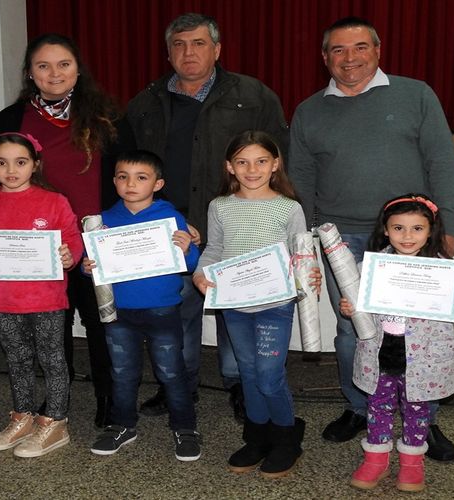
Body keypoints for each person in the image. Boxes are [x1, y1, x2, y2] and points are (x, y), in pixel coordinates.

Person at [288, 17, 454, 461]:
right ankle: (360, 408)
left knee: (422, 331)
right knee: (353, 329)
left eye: (360, 47)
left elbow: (442, 162)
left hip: (410, 237)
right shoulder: (309, 111)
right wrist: (303, 244)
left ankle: (425, 420)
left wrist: (447, 230)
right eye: (338, 50)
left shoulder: (416, 95)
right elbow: (301, 179)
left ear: (378, 51)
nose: (350, 58)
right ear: (324, 57)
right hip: (339, 240)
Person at [0, 33, 131, 427]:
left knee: (102, 325)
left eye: (63, 64)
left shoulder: (107, 116)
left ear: (78, 70)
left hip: (93, 240)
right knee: (52, 328)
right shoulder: (11, 118)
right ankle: (56, 406)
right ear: (29, 73)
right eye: (43, 65)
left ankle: (109, 398)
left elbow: (129, 175)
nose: (54, 73)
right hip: (33, 246)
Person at [126, 12, 290, 419]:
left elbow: (281, 157)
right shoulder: (145, 103)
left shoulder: (253, 96)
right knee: (176, 316)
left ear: (217, 49)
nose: (189, 52)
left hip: (237, 226)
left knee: (239, 310)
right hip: (171, 232)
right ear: (168, 53)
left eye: (198, 43)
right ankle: (178, 386)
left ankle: (241, 385)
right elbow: (131, 168)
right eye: (179, 45)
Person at [340, 194, 454, 492]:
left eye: (417, 228)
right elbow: (360, 308)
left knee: (418, 410)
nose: (407, 236)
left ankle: (412, 463)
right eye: (398, 228)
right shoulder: (368, 267)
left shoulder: (444, 269)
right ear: (386, 230)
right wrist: (351, 309)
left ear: (430, 231)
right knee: (378, 407)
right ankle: (376, 459)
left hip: (423, 360)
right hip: (379, 353)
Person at [192, 131, 319, 478]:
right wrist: (200, 275)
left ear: (275, 164)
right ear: (229, 167)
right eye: (242, 162)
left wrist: (310, 273)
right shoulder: (219, 206)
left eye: (261, 161)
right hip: (234, 305)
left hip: (275, 305)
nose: (252, 169)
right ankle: (257, 437)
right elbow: (214, 249)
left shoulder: (289, 208)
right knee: (247, 373)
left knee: (269, 375)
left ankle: (287, 439)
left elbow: (301, 253)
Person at [0, 132, 83, 458]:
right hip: (3, 299)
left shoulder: (54, 201)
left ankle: (55, 421)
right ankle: (23, 417)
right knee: (16, 359)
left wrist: (69, 255)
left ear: (35, 164)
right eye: (1, 163)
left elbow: (72, 239)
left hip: (46, 298)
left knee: (53, 360)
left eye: (20, 162)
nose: (11, 170)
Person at [85, 150, 201, 461]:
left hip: (162, 308)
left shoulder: (170, 217)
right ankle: (123, 425)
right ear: (114, 181)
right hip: (119, 310)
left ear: (158, 183)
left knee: (171, 371)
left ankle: (185, 427)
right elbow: (93, 265)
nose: (131, 184)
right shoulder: (103, 221)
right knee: (122, 372)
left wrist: (188, 250)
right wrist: (88, 266)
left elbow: (191, 264)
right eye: (123, 177)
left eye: (141, 177)